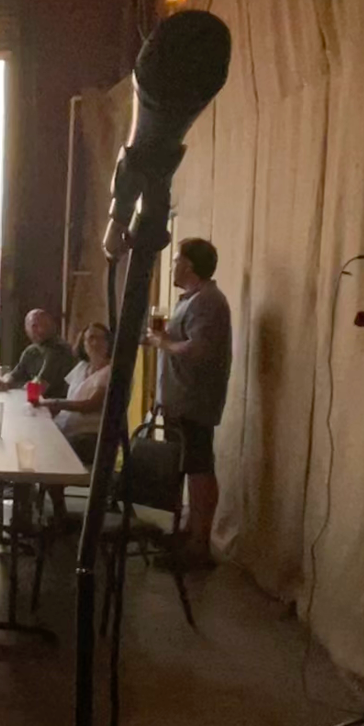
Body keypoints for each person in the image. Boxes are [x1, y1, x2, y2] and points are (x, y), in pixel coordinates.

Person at [145, 236, 232, 563]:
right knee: (185, 466)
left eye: (176, 260)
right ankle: (187, 530)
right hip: (179, 399)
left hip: (195, 400)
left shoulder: (207, 301)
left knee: (198, 468)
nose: (172, 267)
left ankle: (199, 543)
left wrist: (163, 343)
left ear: (189, 265)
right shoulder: (190, 300)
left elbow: (198, 349)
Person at [40, 323, 113, 526]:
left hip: (93, 437)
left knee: (50, 455)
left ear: (109, 343)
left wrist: (56, 403)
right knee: (34, 444)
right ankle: (26, 509)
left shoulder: (111, 371)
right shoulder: (82, 367)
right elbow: (70, 397)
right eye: (90, 338)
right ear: (83, 343)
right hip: (68, 429)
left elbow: (91, 405)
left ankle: (60, 514)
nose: (95, 343)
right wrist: (47, 407)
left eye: (100, 338)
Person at [0, 309, 77, 398]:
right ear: (27, 329)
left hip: (57, 404)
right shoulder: (31, 351)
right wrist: (5, 382)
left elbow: (40, 387)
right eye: (34, 326)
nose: (41, 329)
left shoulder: (59, 350)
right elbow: (16, 375)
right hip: (38, 401)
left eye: (46, 325)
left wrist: (19, 385)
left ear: (53, 327)